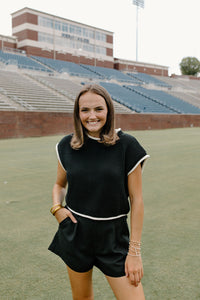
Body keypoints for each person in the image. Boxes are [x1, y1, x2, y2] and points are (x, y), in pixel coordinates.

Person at [48, 84, 149, 300]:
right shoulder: (67, 145)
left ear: (109, 111)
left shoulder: (127, 146)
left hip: (113, 239)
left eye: (98, 109)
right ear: (78, 113)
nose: (92, 116)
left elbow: (137, 201)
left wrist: (134, 252)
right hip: (76, 234)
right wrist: (57, 208)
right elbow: (59, 184)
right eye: (85, 110)